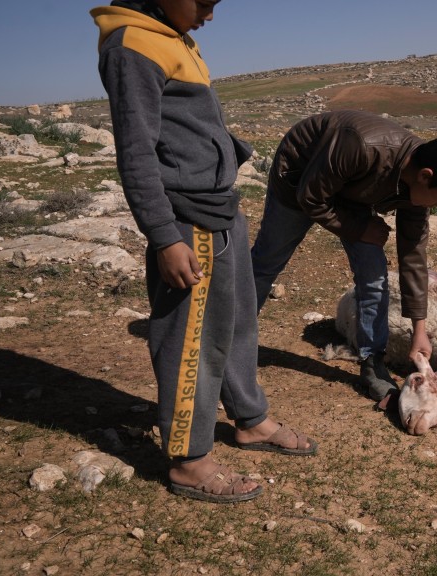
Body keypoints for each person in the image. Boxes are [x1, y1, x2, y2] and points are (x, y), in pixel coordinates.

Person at [91, 0, 317, 503]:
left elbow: (187, 128)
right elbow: (137, 151)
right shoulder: (132, 45)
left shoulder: (173, 38)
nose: (210, 16)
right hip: (186, 219)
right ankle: (189, 460)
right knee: (189, 341)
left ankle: (250, 419)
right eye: (205, 2)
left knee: (235, 323)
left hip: (219, 210)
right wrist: (165, 235)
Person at [250, 110, 437, 405]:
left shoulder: (416, 184)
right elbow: (311, 197)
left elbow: (413, 255)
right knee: (266, 263)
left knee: (374, 278)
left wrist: (419, 330)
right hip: (301, 177)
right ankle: (227, 347)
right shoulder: (361, 145)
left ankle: (373, 362)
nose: (436, 207)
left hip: (354, 190)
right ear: (426, 176)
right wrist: (359, 227)